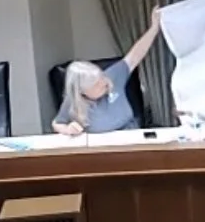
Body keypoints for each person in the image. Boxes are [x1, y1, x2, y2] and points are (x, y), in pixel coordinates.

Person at [54, 7, 163, 135]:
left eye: (101, 77)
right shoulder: (73, 101)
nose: (103, 83)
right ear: (82, 92)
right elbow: (57, 123)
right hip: (102, 144)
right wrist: (68, 129)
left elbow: (134, 56)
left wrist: (154, 28)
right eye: (96, 84)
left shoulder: (112, 76)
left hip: (131, 134)